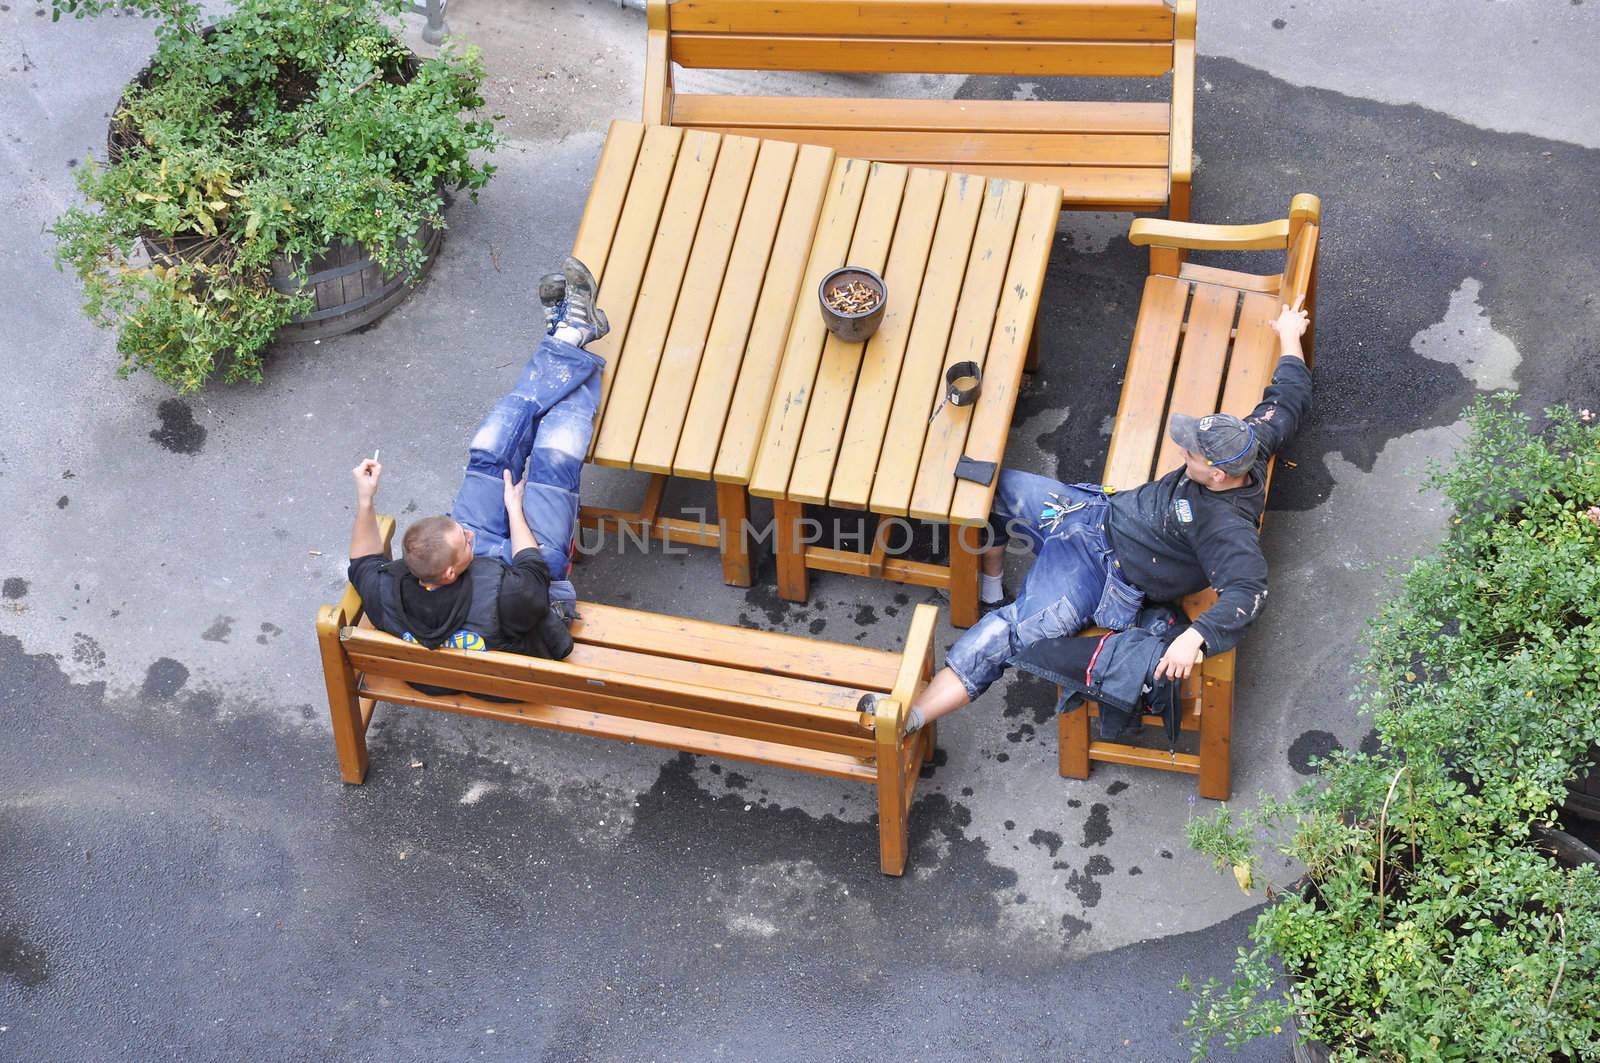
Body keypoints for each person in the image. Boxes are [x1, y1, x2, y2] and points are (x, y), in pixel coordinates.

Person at [886, 296, 1313, 734]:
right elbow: (1289, 398)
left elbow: (1248, 592)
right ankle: (989, 584)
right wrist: (1289, 337)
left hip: (1099, 572)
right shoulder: (1248, 443)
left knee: (1005, 634)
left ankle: (909, 719)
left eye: (1192, 452)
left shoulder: (1225, 527)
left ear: (1219, 475)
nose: (1182, 449)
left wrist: (1193, 638)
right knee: (984, 484)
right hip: (1085, 511)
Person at [345, 256, 609, 662]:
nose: (467, 532)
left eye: (457, 529)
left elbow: (362, 560)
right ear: (448, 573)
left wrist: (365, 499)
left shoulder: (391, 594)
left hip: (490, 581)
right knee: (551, 466)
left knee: (489, 452)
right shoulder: (512, 599)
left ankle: (568, 336)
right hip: (524, 585)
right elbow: (534, 571)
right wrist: (513, 510)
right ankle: (567, 338)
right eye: (463, 536)